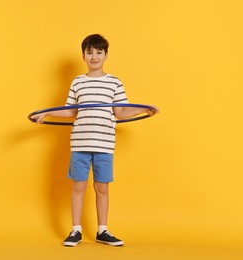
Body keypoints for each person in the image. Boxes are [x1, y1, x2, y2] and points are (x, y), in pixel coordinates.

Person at [31, 34, 158, 247]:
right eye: (89, 52)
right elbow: (70, 112)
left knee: (102, 188)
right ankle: (76, 230)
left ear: (106, 55)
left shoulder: (115, 83)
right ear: (83, 56)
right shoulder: (78, 82)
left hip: (104, 145)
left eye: (99, 52)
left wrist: (142, 110)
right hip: (80, 144)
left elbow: (120, 111)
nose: (94, 56)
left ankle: (102, 230)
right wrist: (47, 114)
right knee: (78, 187)